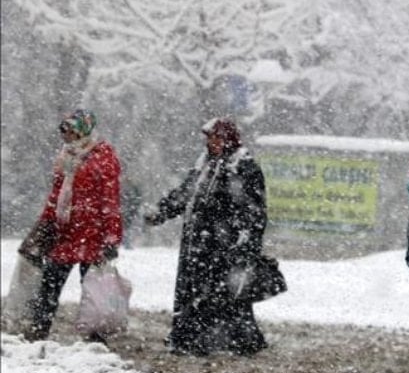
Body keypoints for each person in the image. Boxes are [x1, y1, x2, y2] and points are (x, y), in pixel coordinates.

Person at [144, 117, 268, 356]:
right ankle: (188, 338)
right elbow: (186, 193)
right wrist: (162, 211)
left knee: (221, 292)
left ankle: (222, 339)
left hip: (223, 243)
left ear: (229, 139)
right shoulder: (206, 165)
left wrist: (245, 238)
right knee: (192, 289)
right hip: (198, 240)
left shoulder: (243, 166)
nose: (211, 142)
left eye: (217, 137)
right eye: (209, 138)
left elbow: (254, 209)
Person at [24, 109, 123, 343]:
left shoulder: (103, 156)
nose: (65, 136)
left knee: (93, 288)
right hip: (66, 232)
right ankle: (39, 328)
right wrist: (46, 222)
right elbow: (56, 194)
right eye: (64, 131)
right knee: (50, 282)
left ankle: (96, 337)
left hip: (93, 233)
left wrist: (111, 236)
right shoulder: (66, 156)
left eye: (69, 131)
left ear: (82, 130)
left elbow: (110, 200)